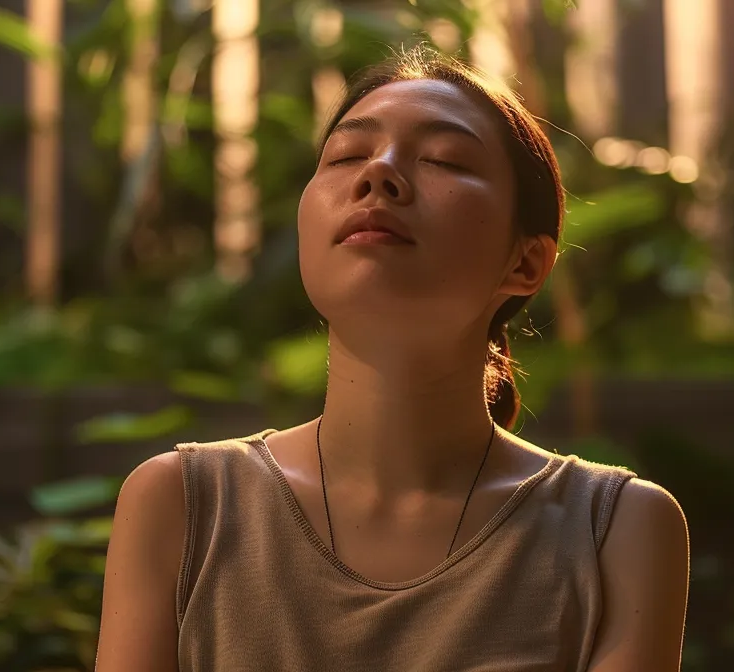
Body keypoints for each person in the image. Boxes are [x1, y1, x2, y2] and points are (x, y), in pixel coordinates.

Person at [95, 45, 689, 671]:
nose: (377, 175)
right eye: (347, 155)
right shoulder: (185, 505)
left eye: (443, 159)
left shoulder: (615, 532)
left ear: (525, 262)